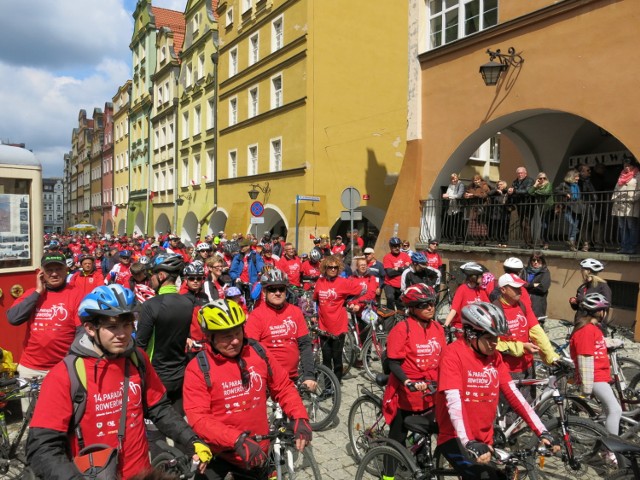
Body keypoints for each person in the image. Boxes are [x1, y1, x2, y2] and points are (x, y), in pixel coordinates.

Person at [26, 284, 212, 480]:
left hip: (141, 473)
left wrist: (191, 439)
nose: (123, 334)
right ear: (90, 328)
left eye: (127, 324)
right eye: (112, 326)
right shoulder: (64, 374)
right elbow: (42, 447)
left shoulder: (137, 358)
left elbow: (159, 408)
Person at [183, 299, 311, 480]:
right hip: (221, 454)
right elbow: (199, 418)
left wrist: (299, 416)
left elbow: (282, 386)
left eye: (238, 332)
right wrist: (236, 439)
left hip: (259, 453)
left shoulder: (258, 352)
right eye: (226, 336)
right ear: (209, 337)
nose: (235, 340)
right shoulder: (198, 368)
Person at [436, 302, 558, 480]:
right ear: (471, 334)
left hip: (484, 438)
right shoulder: (452, 355)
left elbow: (513, 395)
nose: (495, 343)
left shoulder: (495, 358)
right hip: (455, 435)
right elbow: (454, 402)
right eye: (489, 338)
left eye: (497, 338)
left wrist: (541, 431)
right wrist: (469, 441)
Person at [381, 284, 445, 477]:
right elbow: (393, 362)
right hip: (406, 393)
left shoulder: (437, 328)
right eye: (423, 304)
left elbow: (444, 358)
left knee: (427, 433)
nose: (430, 308)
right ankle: (388, 476)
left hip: (430, 393)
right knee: (396, 441)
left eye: (432, 303)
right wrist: (407, 381)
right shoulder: (402, 329)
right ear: (412, 308)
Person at [136, 254, 194, 454]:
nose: (149, 279)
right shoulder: (188, 302)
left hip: (156, 377)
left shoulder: (151, 305)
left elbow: (140, 345)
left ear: (161, 276)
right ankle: (185, 468)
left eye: (151, 275)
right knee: (178, 428)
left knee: (155, 434)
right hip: (180, 374)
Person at [7, 253, 84, 385]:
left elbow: (82, 332)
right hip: (31, 368)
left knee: (59, 406)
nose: (54, 274)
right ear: (42, 273)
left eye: (58, 269)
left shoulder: (77, 294)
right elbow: (14, 318)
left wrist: (71, 359)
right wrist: (38, 292)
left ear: (66, 270)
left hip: (63, 366)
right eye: (49, 270)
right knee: (30, 406)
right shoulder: (32, 294)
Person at [245, 269, 317, 391]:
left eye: (281, 289)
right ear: (264, 292)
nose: (277, 293)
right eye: (272, 289)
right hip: (267, 379)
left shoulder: (295, 312)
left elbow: (305, 345)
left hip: (291, 377)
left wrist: (309, 375)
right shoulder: (256, 315)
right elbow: (250, 351)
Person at [494, 273, 559, 404]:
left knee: (530, 409)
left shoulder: (522, 305)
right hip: (507, 370)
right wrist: (521, 347)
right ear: (503, 289)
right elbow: (493, 343)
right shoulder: (495, 310)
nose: (520, 290)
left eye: (520, 287)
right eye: (515, 288)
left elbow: (537, 332)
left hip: (528, 367)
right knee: (511, 415)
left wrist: (551, 356)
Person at [570, 293, 622, 438]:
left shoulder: (593, 328)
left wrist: (609, 343)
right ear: (600, 312)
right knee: (615, 410)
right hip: (595, 377)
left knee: (609, 410)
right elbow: (585, 359)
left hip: (601, 375)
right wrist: (586, 388)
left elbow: (596, 345)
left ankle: (606, 444)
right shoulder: (585, 331)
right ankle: (612, 450)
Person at [313, 255, 364, 383]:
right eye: (330, 267)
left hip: (338, 326)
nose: (333, 270)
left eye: (336, 267)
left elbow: (362, 289)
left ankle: (337, 382)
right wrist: (314, 315)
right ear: (325, 268)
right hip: (323, 327)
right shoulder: (320, 282)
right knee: (326, 358)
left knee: (337, 358)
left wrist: (350, 300)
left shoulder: (343, 282)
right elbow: (316, 300)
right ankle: (329, 387)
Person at [443, 262, 489, 333]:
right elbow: (454, 309)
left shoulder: (481, 291)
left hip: (476, 326)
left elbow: (488, 307)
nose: (483, 278)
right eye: (481, 276)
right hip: (461, 327)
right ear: (474, 277)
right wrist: (446, 325)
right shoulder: (462, 289)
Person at [611, 155, 640, 254]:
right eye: (625, 165)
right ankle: (624, 246)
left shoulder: (637, 175)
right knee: (622, 226)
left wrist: (633, 198)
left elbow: (639, 190)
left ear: (632, 166)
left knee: (631, 226)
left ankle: (632, 247)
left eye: (628, 165)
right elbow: (616, 188)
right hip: (619, 204)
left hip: (630, 204)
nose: (626, 167)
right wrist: (614, 197)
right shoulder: (621, 175)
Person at [555, 168, 584, 252]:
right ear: (571, 176)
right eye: (576, 176)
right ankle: (571, 241)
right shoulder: (564, 184)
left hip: (577, 207)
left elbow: (579, 196)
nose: (578, 178)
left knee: (574, 225)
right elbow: (556, 190)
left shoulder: (577, 185)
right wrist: (565, 194)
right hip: (568, 207)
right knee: (573, 225)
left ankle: (571, 244)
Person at [507, 166, 535, 248]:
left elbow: (527, 191)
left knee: (526, 223)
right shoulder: (515, 182)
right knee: (522, 224)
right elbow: (514, 191)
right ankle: (527, 242)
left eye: (521, 173)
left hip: (528, 205)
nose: (520, 174)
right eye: (518, 173)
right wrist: (510, 192)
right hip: (519, 205)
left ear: (525, 173)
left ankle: (529, 243)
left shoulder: (530, 180)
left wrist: (514, 191)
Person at [382, 237, 411, 310]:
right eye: (394, 246)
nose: (397, 248)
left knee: (401, 304)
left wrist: (397, 269)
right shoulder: (387, 257)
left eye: (398, 246)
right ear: (390, 247)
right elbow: (390, 273)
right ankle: (390, 316)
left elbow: (409, 269)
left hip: (401, 285)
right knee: (390, 298)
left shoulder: (405, 255)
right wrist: (403, 268)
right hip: (390, 284)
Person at [527, 172, 554, 250]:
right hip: (541, 208)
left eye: (544, 178)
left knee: (545, 225)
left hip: (548, 207)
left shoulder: (549, 184)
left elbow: (546, 192)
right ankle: (543, 241)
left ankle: (546, 242)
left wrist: (536, 192)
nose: (542, 179)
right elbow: (529, 192)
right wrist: (535, 185)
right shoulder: (537, 186)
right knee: (542, 225)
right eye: (540, 178)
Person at [522, 253, 551, 325]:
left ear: (542, 261)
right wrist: (532, 285)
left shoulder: (545, 272)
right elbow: (520, 284)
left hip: (537, 304)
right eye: (533, 260)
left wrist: (527, 288)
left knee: (535, 325)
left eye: (538, 260)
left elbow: (542, 288)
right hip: (524, 302)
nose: (535, 262)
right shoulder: (525, 271)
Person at [464, 174, 490, 246]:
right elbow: (466, 192)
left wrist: (473, 195)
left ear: (480, 180)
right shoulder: (470, 186)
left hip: (481, 207)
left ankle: (483, 241)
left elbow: (484, 195)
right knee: (473, 224)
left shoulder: (484, 185)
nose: (477, 181)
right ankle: (476, 240)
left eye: (478, 180)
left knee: (481, 224)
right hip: (473, 207)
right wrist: (466, 195)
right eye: (475, 180)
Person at [441, 173, 465, 243]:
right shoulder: (450, 185)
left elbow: (459, 195)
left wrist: (449, 196)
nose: (454, 180)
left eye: (455, 178)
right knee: (452, 224)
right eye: (452, 178)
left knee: (458, 224)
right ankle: (452, 239)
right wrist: (447, 196)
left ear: (457, 178)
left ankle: (459, 239)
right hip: (451, 208)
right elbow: (446, 194)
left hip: (458, 208)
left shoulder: (461, 185)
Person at [488, 179, 511, 248]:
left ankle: (505, 242)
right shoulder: (495, 192)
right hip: (496, 213)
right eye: (498, 185)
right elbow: (488, 194)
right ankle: (499, 242)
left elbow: (511, 200)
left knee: (504, 228)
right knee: (498, 228)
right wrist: (496, 190)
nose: (499, 186)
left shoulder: (506, 192)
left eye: (501, 184)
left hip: (505, 213)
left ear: (504, 185)